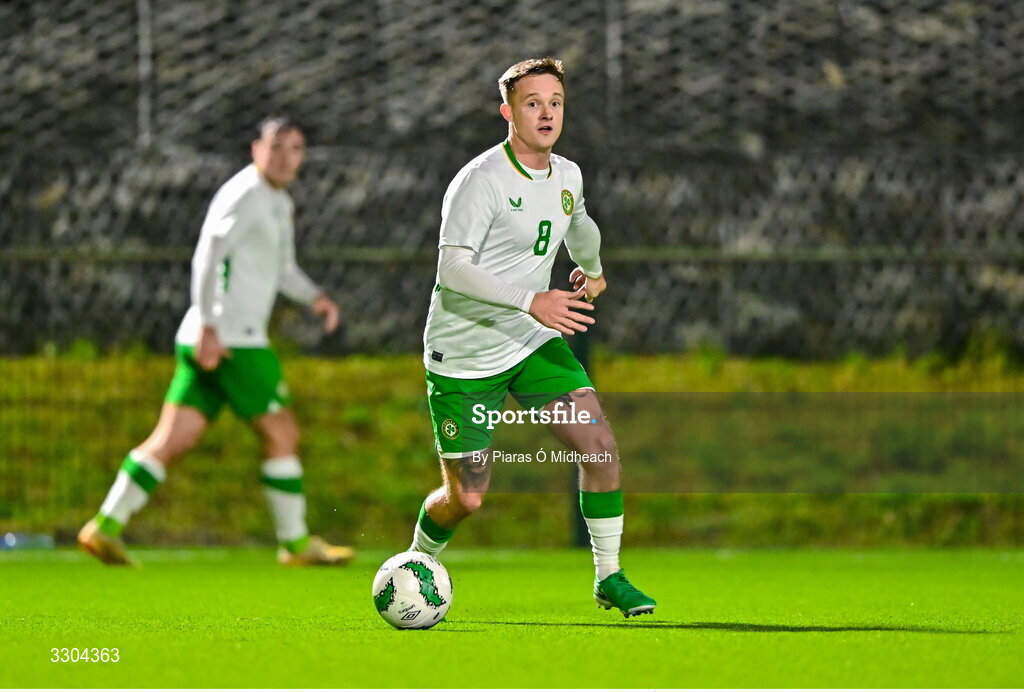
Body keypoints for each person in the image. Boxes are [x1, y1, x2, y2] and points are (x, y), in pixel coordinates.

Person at [408, 58, 656, 616]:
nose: (546, 112)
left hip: (529, 342)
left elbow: (580, 222)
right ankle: (416, 561)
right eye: (532, 103)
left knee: (601, 447)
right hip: (465, 354)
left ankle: (609, 576)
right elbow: (452, 270)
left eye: (555, 102)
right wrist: (532, 300)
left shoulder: (567, 174)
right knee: (467, 497)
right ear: (508, 113)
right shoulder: (480, 181)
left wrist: (592, 272)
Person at [78, 116, 353, 568]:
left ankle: (104, 526)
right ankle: (297, 544)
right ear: (255, 149)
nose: (287, 158)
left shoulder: (276, 201)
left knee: (172, 439)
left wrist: (315, 297)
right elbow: (207, 255)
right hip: (232, 339)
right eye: (277, 147)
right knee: (282, 432)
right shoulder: (244, 194)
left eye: (296, 149)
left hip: (212, 336)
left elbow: (282, 268)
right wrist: (208, 326)